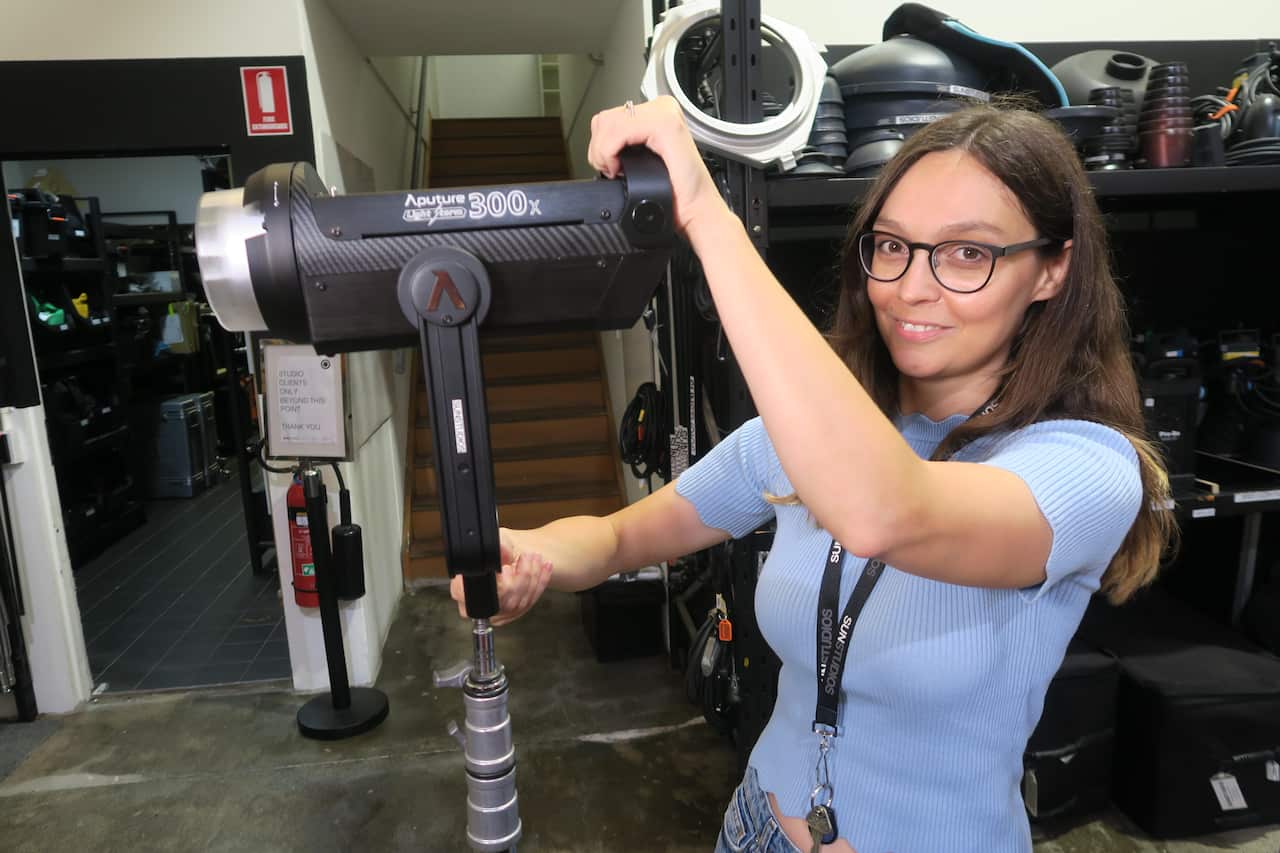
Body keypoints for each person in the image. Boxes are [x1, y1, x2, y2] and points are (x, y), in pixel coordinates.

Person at [450, 95, 1176, 852]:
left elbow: (886, 510)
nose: (911, 286)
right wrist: (526, 555)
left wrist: (708, 216)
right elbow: (614, 537)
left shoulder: (1087, 468)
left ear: (1052, 270)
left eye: (968, 253)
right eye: (892, 245)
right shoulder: (804, 439)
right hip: (757, 827)